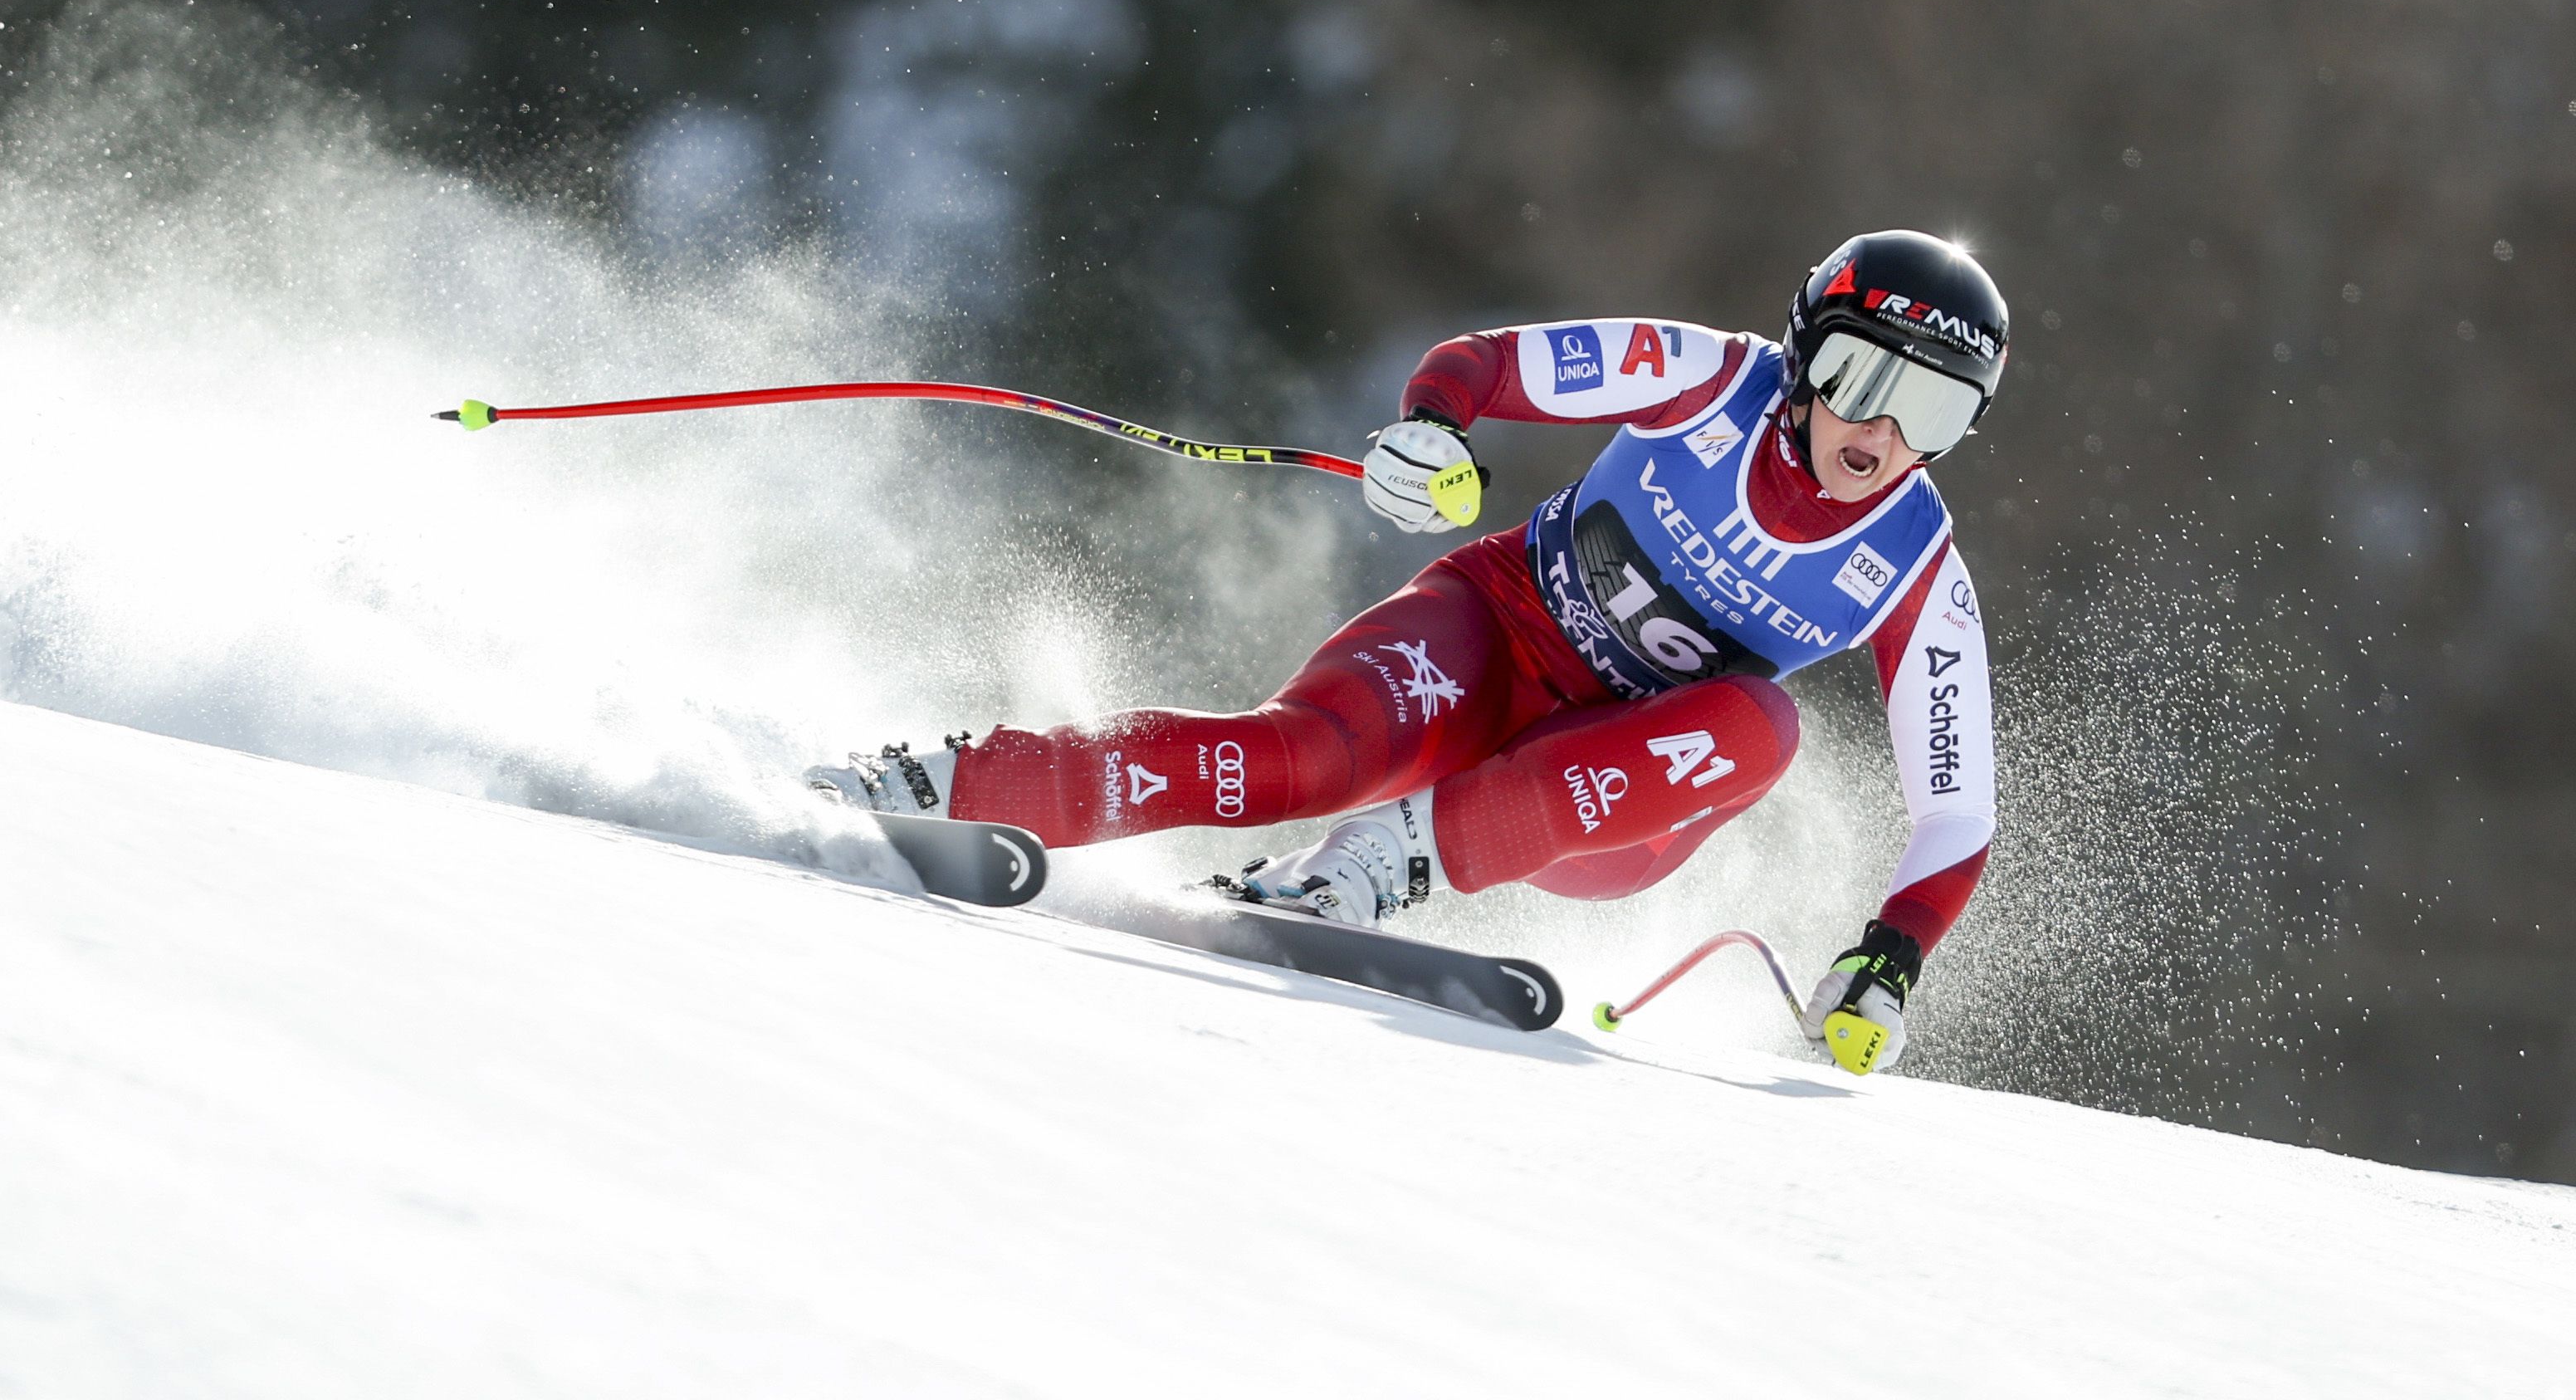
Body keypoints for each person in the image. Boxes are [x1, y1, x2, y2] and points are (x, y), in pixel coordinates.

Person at [813, 230, 2002, 1073]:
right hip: (1493, 633)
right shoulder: (1706, 379)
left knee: (1766, 728)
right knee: (1302, 759)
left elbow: (1957, 815)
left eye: (1935, 413)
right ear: (1804, 360)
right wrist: (1429, 433)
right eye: (1862, 378)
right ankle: (952, 783)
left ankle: (1380, 865)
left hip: (1605, 800)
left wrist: (1887, 962)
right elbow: (1487, 362)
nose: (1884, 434)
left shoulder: (1916, 569)